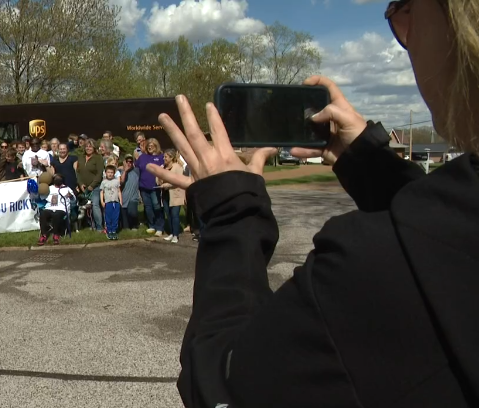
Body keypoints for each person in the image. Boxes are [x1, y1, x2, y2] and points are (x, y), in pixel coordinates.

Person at [148, 0, 479, 404]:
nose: (404, 34)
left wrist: (231, 212)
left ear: (460, 24)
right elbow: (448, 236)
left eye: (405, 7)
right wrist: (372, 167)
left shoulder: (368, 269)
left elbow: (218, 381)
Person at [135, 138, 164, 236]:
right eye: (149, 145)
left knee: (156, 206)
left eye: (152, 145)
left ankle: (160, 227)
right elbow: (135, 166)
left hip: (155, 187)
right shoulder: (143, 157)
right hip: (143, 186)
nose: (150, 147)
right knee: (148, 207)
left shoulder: (161, 157)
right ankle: (152, 226)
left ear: (156, 146)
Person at [38, 173, 75, 246]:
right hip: (50, 207)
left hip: (61, 208)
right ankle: (44, 235)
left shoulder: (67, 188)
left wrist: (70, 196)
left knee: (57, 215)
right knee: (43, 214)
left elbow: (73, 200)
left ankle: (56, 234)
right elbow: (42, 197)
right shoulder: (49, 188)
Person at [157, 149, 184, 244]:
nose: (164, 158)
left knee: (175, 215)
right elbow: (158, 182)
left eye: (166, 157)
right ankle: (172, 233)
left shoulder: (177, 167)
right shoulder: (163, 167)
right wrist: (159, 173)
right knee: (168, 214)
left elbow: (179, 181)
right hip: (165, 194)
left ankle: (176, 235)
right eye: (164, 157)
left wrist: (167, 185)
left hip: (175, 194)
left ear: (171, 158)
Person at [77, 139, 104, 231]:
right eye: (87, 146)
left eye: (90, 146)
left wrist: (92, 185)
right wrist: (80, 184)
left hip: (95, 187)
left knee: (95, 205)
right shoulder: (81, 157)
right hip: (83, 187)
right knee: (86, 207)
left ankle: (99, 227)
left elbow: (99, 173)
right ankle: (90, 225)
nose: (88, 148)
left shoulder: (98, 158)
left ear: (94, 147)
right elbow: (78, 172)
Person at [100, 165, 122, 240]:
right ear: (105, 173)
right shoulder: (104, 182)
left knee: (115, 217)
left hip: (115, 202)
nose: (110, 174)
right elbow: (101, 192)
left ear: (114, 173)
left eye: (111, 172)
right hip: (108, 202)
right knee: (108, 217)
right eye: (108, 172)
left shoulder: (116, 181)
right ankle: (109, 231)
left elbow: (119, 191)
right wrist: (102, 201)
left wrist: (120, 201)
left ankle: (114, 231)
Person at [119, 154, 140, 231]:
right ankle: (127, 226)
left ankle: (135, 225)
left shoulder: (136, 171)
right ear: (124, 162)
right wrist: (125, 170)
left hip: (133, 197)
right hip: (123, 198)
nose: (129, 163)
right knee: (126, 227)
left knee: (132, 212)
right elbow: (121, 182)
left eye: (130, 162)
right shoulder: (120, 171)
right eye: (127, 162)